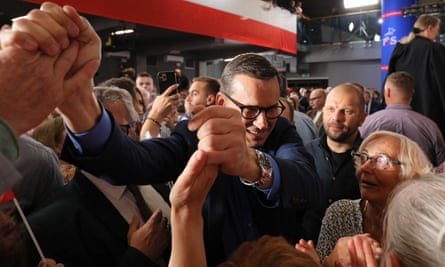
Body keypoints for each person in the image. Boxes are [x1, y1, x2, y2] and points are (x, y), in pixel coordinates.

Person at [8, 4, 319, 266]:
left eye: (271, 109)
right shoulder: (195, 133)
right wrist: (79, 103)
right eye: (250, 110)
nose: (263, 123)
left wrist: (254, 165)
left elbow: (306, 184)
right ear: (221, 103)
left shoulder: (283, 132)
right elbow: (133, 162)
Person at [25, 86, 170, 267]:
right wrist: (137, 258)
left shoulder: (155, 179)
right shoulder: (52, 224)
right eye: (102, 135)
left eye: (123, 130)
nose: (112, 143)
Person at [298, 131, 432, 267]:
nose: (364, 168)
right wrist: (327, 262)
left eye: (381, 161)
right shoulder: (341, 213)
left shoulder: (425, 225)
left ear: (409, 174)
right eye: (363, 158)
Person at [302, 83, 366, 243]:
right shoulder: (305, 153)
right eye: (331, 109)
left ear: (362, 118)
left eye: (347, 111)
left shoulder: (370, 159)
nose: (337, 117)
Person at [360, 71, 445, 166]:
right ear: (412, 93)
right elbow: (441, 164)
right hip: (421, 179)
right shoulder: (430, 126)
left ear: (387, 92)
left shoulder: (367, 123)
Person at [387, 14, 445, 139]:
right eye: (437, 30)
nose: (437, 34)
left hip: (401, 119)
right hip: (430, 120)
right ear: (429, 28)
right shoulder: (434, 49)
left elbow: (390, 79)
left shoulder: (400, 49)